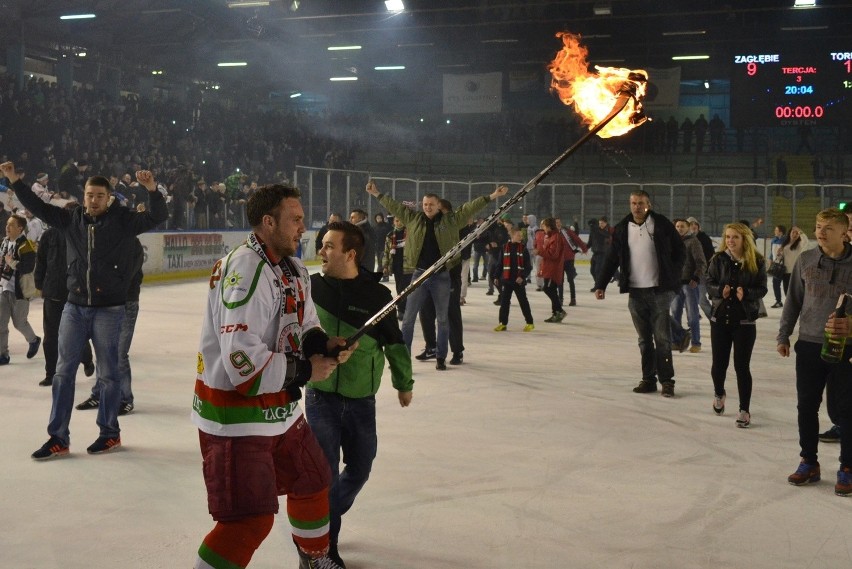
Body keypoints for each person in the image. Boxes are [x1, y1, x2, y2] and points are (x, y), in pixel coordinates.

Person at [191, 184, 355, 569]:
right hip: (236, 416)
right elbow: (242, 366)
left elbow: (305, 324)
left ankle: (314, 559)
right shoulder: (246, 269)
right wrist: (306, 370)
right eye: (295, 219)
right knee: (249, 520)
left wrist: (323, 344)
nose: (304, 228)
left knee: (313, 480)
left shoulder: (292, 267)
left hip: (279, 409)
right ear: (269, 222)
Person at [1, 161, 168, 459]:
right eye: (90, 194)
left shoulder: (124, 220)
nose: (93, 200)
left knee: (107, 375)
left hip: (109, 309)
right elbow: (37, 207)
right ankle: (58, 438)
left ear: (109, 197)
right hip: (74, 307)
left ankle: (109, 433)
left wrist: (152, 190)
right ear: (84, 194)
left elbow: (158, 215)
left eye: (99, 195)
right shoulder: (70, 219)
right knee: (63, 373)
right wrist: (14, 181)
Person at [308, 220, 413, 567]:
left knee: (361, 467)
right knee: (324, 473)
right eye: (322, 244)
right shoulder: (310, 288)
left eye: (328, 246)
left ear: (350, 253)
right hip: (320, 395)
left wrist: (404, 382)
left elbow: (394, 342)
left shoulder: (376, 295)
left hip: (361, 398)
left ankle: (319, 520)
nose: (320, 252)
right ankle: (324, 545)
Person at [365, 180, 507, 370]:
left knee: (442, 318)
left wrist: (492, 196)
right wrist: (376, 194)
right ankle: (403, 356)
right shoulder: (414, 219)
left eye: (431, 204)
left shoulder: (450, 221)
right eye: (425, 204)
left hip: (441, 275)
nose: (427, 207)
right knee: (408, 319)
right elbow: (395, 206)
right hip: (420, 275)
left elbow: (469, 208)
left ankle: (441, 356)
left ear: (438, 205)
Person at [778, 208, 852, 496]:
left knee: (845, 409)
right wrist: (784, 334)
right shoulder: (806, 259)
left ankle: (847, 466)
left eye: (828, 228)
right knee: (806, 406)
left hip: (846, 347)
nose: (820, 232)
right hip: (809, 344)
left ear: (844, 232)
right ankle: (809, 461)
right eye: (819, 226)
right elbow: (793, 301)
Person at [594, 190, 686, 397]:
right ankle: (648, 379)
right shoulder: (621, 229)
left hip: (659, 292)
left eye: (641, 203)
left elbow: (680, 251)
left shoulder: (661, 224)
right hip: (635, 293)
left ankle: (667, 381)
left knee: (662, 339)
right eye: (633, 203)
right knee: (644, 340)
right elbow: (611, 259)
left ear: (649, 204)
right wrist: (601, 284)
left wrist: (673, 274)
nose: (637, 207)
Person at [707, 222, 767, 428]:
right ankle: (719, 393)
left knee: (742, 366)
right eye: (728, 237)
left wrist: (747, 293)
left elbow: (762, 288)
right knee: (718, 364)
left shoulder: (756, 261)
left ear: (744, 239)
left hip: (744, 321)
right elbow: (709, 282)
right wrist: (718, 291)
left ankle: (744, 410)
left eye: (735, 237)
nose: (730, 241)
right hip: (720, 319)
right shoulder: (718, 259)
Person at [75, 238, 144, 415]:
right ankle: (99, 394)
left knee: (119, 353)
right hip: (105, 302)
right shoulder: (105, 239)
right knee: (102, 350)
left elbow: (126, 274)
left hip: (126, 302)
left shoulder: (131, 243)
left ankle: (125, 398)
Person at [33, 206, 95, 387]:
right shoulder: (49, 235)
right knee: (51, 336)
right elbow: (41, 260)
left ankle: (86, 357)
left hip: (76, 293)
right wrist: (39, 282)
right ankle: (51, 373)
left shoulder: (84, 234)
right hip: (53, 292)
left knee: (77, 334)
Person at [0, 213, 41, 365]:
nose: (7, 227)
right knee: (1, 323)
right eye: (7, 224)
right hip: (3, 288)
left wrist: (12, 263)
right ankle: (2, 354)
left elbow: (28, 267)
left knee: (19, 322)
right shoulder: (4, 242)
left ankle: (33, 340)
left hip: (20, 291)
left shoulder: (26, 246)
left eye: (11, 225)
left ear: (20, 228)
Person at [670, 218, 707, 354]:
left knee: (692, 315)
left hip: (690, 284)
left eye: (682, 226)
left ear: (688, 227)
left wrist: (696, 277)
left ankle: (696, 342)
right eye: (677, 226)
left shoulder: (693, 242)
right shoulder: (672, 242)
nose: (679, 228)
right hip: (675, 284)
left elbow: (701, 262)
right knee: (675, 314)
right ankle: (676, 341)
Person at [494, 228, 534, 332]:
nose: (520, 237)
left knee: (523, 302)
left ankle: (530, 322)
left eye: (521, 235)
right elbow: (500, 264)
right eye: (518, 235)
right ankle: (502, 323)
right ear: (512, 236)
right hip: (507, 281)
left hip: (518, 281)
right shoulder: (504, 248)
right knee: (504, 303)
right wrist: (496, 276)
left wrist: (522, 277)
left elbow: (528, 267)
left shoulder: (523, 249)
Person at [537, 217, 566, 323]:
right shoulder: (549, 236)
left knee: (548, 289)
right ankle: (556, 313)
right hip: (548, 267)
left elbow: (554, 254)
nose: (542, 228)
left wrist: (539, 251)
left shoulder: (556, 237)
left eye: (544, 226)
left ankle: (560, 311)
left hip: (553, 269)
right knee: (551, 289)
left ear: (549, 226)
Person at [382, 216, 410, 321]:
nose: (399, 223)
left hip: (408, 265)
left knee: (405, 287)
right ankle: (401, 308)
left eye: (401, 220)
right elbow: (386, 251)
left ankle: (404, 309)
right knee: (399, 288)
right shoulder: (390, 235)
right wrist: (385, 265)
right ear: (394, 222)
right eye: (397, 221)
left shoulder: (410, 233)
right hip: (396, 265)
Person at [556, 217, 588, 307]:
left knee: (570, 280)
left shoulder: (566, 231)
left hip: (569, 259)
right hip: (558, 260)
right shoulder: (552, 233)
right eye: (555, 223)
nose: (557, 224)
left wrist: (584, 248)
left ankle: (573, 299)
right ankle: (560, 299)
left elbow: (576, 239)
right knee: (560, 281)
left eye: (558, 222)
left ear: (561, 223)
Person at [687, 217, 714, 318]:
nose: (693, 226)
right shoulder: (685, 239)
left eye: (695, 224)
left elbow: (710, 254)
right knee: (690, 298)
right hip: (689, 274)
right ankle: (693, 318)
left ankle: (713, 318)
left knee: (701, 299)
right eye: (690, 224)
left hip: (702, 273)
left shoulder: (704, 238)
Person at [779, 226, 809, 296]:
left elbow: (806, 241)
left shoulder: (800, 244)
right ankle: (789, 306)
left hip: (796, 272)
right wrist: (779, 254)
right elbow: (781, 258)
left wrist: (800, 231)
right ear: (789, 233)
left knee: (796, 294)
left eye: (797, 233)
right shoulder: (785, 244)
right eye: (793, 232)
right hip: (786, 272)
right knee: (787, 293)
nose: (795, 234)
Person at [587, 216, 613, 291]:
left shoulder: (607, 231)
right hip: (595, 253)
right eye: (599, 223)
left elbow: (607, 235)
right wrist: (584, 248)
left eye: (602, 223)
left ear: (606, 223)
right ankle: (598, 284)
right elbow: (590, 242)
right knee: (592, 271)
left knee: (597, 270)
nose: (600, 225)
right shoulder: (594, 231)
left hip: (603, 253)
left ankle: (599, 287)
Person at [769, 225, 787, 308]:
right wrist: (770, 259)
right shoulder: (773, 240)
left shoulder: (786, 240)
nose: (774, 231)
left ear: (781, 232)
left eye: (776, 230)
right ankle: (778, 301)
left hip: (785, 265)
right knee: (775, 283)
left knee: (786, 285)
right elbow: (771, 252)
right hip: (776, 265)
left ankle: (789, 302)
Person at [372, 212, 391, 280]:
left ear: (382, 218)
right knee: (380, 262)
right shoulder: (375, 227)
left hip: (385, 246)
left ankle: (385, 275)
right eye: (377, 218)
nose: (379, 219)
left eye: (380, 218)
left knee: (384, 261)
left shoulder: (386, 226)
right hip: (378, 247)